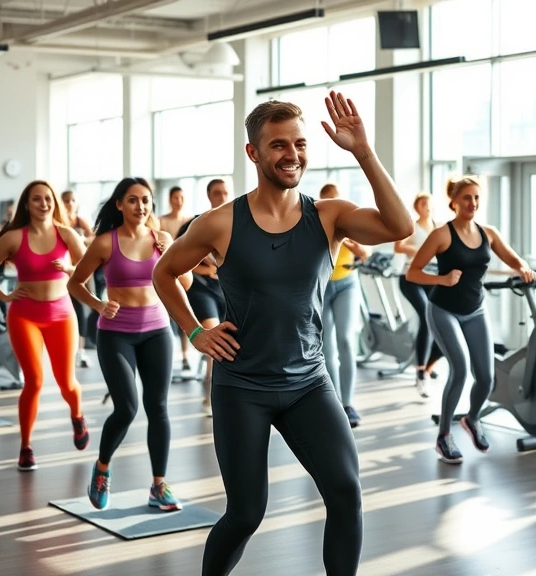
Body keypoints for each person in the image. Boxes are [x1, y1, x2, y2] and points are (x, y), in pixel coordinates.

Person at [153, 92, 413, 576]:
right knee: (246, 513)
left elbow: (400, 225)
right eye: (278, 145)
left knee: (345, 491)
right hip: (243, 387)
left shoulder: (330, 216)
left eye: (299, 143)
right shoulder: (219, 223)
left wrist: (363, 151)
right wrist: (194, 332)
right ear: (253, 153)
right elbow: (164, 273)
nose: (292, 154)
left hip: (309, 383)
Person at [69, 177, 192, 512]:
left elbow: (187, 281)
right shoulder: (104, 243)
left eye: (146, 200)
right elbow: (75, 283)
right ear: (120, 204)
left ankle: (159, 485)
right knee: (126, 408)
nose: (141, 206)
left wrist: (173, 255)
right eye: (133, 200)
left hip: (157, 331)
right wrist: (97, 305)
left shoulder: (162, 239)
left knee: (159, 408)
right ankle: (102, 469)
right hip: (116, 334)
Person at [407, 176, 536, 463]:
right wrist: (442, 278)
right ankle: (443, 436)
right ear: (454, 202)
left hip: (476, 310)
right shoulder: (441, 235)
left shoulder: (487, 233)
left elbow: (513, 259)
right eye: (467, 197)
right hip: (443, 309)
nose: (473, 203)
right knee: (461, 370)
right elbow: (412, 273)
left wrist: (524, 268)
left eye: (477, 198)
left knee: (487, 376)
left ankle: (473, 419)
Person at [0, 180, 89, 471]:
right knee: (34, 382)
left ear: (55, 203)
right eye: (36, 199)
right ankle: (26, 447)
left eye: (48, 198)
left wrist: (69, 270)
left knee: (67, 384)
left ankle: (77, 416)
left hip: (62, 315)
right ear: (27, 204)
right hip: (24, 315)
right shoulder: (14, 237)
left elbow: (89, 270)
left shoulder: (66, 234)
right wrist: (3, 295)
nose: (43, 204)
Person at [175, 179, 232, 417]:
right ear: (209, 196)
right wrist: (203, 270)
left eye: (225, 193)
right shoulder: (196, 223)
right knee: (214, 334)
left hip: (226, 289)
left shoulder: (235, 223)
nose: (221, 196)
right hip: (200, 289)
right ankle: (211, 392)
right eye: (216, 193)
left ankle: (216, 383)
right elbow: (176, 259)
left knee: (229, 339)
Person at [319, 183, 370, 427]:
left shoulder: (350, 224)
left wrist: (353, 245)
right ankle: (336, 403)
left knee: (347, 341)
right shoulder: (316, 224)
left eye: (335, 201)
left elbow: (365, 255)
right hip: (321, 287)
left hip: (347, 284)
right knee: (327, 347)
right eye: (327, 202)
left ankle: (348, 404)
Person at [394, 192, 444, 398]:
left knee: (440, 320)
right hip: (411, 278)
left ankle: (428, 366)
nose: (427, 206)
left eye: (429, 203)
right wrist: (421, 249)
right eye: (423, 204)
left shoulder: (439, 227)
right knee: (425, 315)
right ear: (417, 207)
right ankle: (420, 373)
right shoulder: (411, 226)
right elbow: (399, 246)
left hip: (432, 278)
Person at [61, 190, 97, 368]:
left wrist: (81, 239)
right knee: (65, 311)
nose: (69, 203)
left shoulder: (80, 221)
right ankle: (65, 350)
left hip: (79, 271)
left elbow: (94, 238)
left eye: (72, 200)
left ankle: (80, 351)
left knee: (81, 311)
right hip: (61, 273)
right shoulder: (58, 222)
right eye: (66, 200)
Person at [159, 186, 194, 369]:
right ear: (170, 199)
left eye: (181, 197)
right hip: (166, 268)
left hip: (183, 271)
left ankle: (185, 355)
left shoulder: (190, 221)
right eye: (175, 198)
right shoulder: (162, 221)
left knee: (183, 312)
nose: (178, 201)